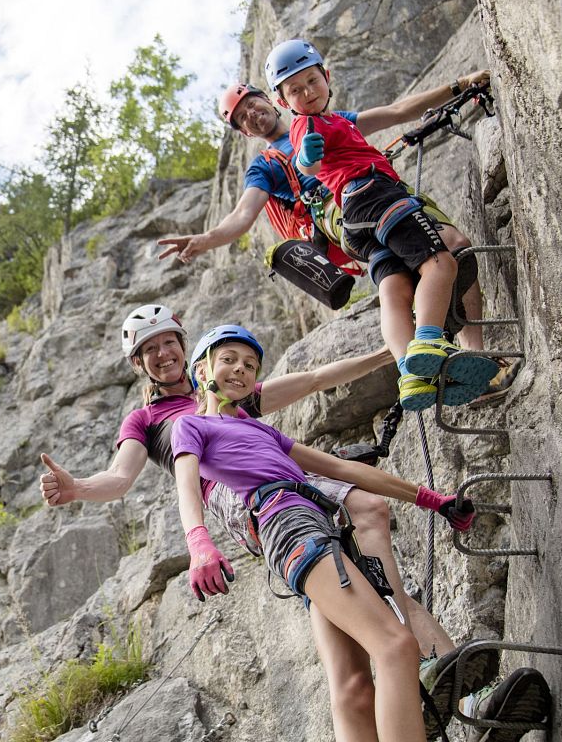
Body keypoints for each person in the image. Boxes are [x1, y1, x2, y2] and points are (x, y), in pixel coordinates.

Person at [39, 304, 508, 739]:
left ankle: (432, 658)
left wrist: (393, 351)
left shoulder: (239, 399)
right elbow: (121, 477)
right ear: (141, 364)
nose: (162, 353)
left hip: (286, 480)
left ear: (186, 349)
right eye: (149, 349)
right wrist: (80, 488)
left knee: (369, 531)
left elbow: (316, 380)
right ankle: (413, 650)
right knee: (385, 625)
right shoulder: (153, 420)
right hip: (244, 495)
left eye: (168, 342)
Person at [171, 324, 476, 740]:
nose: (239, 370)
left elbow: (342, 469)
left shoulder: (264, 431)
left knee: (352, 687)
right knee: (396, 646)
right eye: (228, 360)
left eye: (249, 365)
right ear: (202, 370)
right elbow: (186, 484)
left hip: (318, 524)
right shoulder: (192, 427)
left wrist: (430, 499)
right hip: (289, 524)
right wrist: (198, 542)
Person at [263, 39, 501, 412]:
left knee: (395, 290)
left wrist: (457, 85)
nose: (307, 93)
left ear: (327, 77)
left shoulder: (338, 120)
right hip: (374, 194)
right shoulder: (307, 125)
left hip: (356, 223)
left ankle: (412, 374)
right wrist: (306, 160)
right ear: (283, 101)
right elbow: (307, 162)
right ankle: (428, 342)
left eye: (312, 81)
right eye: (295, 89)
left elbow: (398, 110)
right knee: (441, 262)